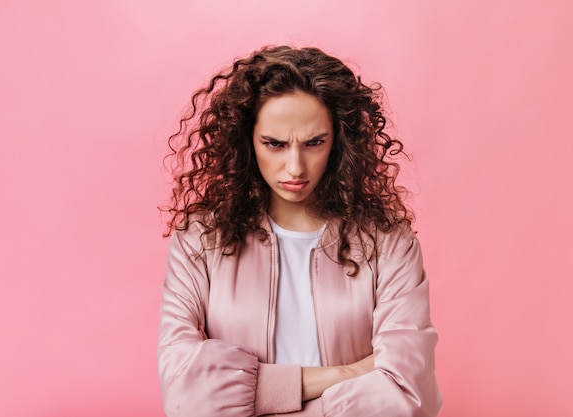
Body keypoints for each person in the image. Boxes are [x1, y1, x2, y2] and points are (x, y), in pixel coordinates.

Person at [157, 45, 442, 417]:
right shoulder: (200, 241)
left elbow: (408, 394)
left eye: (314, 143)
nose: (295, 167)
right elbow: (185, 396)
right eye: (274, 144)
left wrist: (243, 395)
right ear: (247, 140)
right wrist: (349, 373)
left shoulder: (388, 243)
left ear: (338, 141)